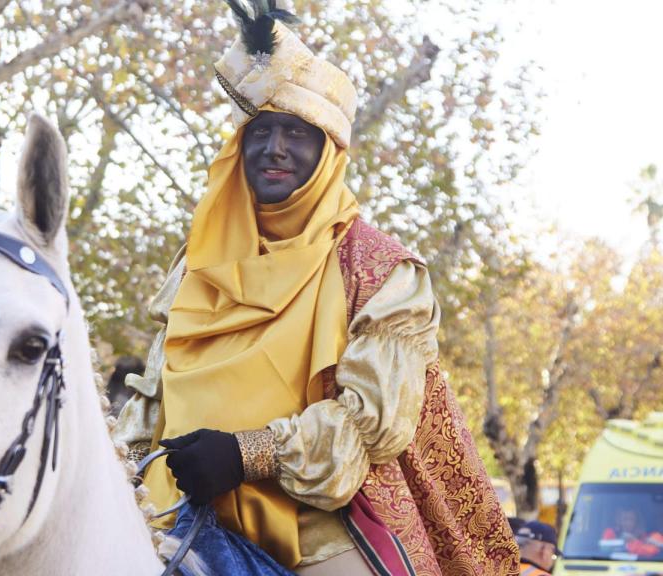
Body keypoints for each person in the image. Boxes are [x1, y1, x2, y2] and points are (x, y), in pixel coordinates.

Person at [113, 2, 518, 574]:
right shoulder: (196, 261)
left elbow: (371, 424)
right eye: (262, 131)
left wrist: (246, 453)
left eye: (296, 134)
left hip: (318, 531)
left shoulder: (383, 270)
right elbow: (151, 396)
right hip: (170, 511)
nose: (275, 148)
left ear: (328, 153)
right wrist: (117, 472)